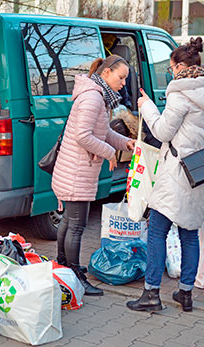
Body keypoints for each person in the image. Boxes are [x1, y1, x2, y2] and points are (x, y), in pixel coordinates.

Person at [126, 37, 204, 312]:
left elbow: (161, 132)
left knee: (157, 230)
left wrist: (146, 106)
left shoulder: (180, 94)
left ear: (181, 67)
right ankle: (185, 294)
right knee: (189, 232)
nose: (171, 74)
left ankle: (151, 294)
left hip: (177, 173)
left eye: (171, 69)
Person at [52, 55, 135, 296]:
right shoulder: (93, 97)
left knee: (69, 221)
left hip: (76, 169)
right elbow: (83, 136)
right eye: (121, 78)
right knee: (76, 226)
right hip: (77, 171)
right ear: (107, 73)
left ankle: (62, 265)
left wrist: (124, 143)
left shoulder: (97, 95)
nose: (122, 83)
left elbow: (104, 131)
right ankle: (75, 276)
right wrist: (110, 153)